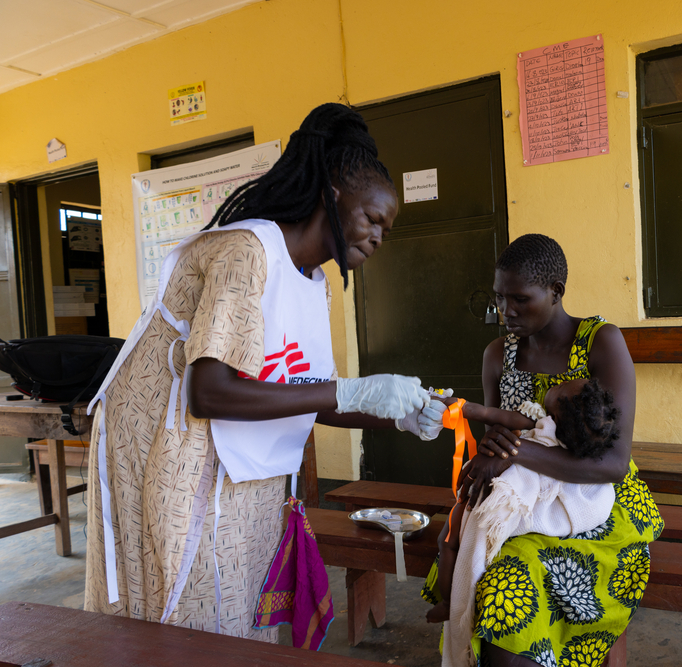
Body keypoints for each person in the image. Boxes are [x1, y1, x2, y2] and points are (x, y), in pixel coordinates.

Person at [84, 103, 446, 640]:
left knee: (244, 593)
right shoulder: (246, 251)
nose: (376, 239)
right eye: (373, 219)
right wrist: (357, 389)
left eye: (385, 232)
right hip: (173, 443)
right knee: (190, 604)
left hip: (239, 456)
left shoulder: (313, 282)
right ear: (333, 190)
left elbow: (308, 394)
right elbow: (208, 392)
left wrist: (394, 416)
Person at [421, 234, 664, 667]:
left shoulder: (599, 342)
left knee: (508, 583)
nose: (505, 312)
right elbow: (498, 432)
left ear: (556, 292)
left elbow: (611, 462)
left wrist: (515, 452)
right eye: (498, 298)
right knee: (461, 541)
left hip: (595, 508)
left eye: (519, 299)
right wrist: (491, 442)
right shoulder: (498, 354)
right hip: (522, 492)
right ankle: (462, 611)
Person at [425, 377, 621, 626]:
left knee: (449, 541)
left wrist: (454, 405)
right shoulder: (574, 445)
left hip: (493, 492)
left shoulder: (537, 419)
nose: (557, 384)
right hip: (518, 504)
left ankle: (447, 602)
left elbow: (486, 413)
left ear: (556, 414)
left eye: (560, 389)